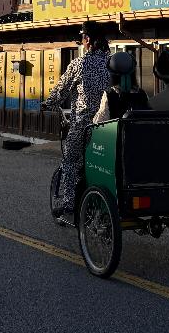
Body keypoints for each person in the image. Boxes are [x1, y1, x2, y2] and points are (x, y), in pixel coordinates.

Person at [41, 21, 110, 226]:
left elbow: (60, 91)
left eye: (82, 37)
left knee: (70, 162)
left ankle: (70, 205)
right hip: (110, 125)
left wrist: (47, 103)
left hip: (83, 124)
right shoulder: (112, 62)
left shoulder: (80, 64)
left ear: (87, 40)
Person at [93, 50, 150, 124]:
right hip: (139, 135)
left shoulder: (109, 94)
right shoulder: (142, 94)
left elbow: (100, 122)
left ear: (112, 74)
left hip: (116, 135)